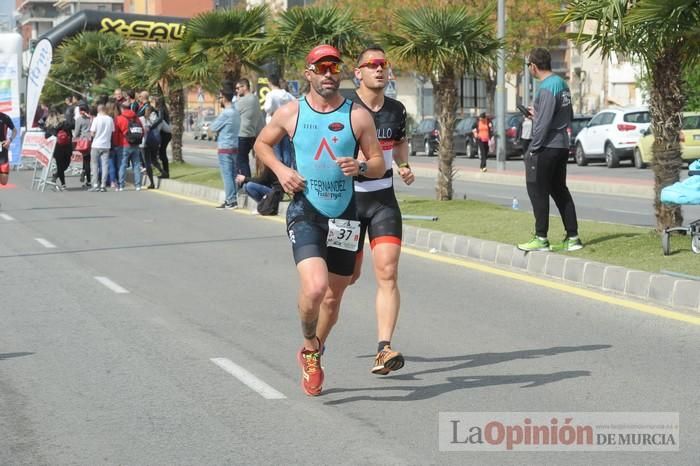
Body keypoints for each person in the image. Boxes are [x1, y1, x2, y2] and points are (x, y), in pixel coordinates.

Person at [254, 44, 385, 396]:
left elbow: (378, 164)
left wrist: (359, 166)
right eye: (321, 68)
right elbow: (261, 145)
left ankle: (313, 351)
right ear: (308, 73)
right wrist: (281, 171)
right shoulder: (291, 112)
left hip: (345, 214)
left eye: (334, 68)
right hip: (306, 210)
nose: (328, 74)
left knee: (333, 296)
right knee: (314, 288)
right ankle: (310, 344)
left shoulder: (358, 116)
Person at [313, 45, 415, 375]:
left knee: (387, 271)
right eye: (372, 65)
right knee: (338, 286)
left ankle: (383, 349)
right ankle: (315, 346)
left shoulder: (397, 110)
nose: (380, 70)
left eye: (384, 64)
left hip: (383, 201)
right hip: (348, 206)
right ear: (358, 72)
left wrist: (403, 165)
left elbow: (398, 143)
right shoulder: (342, 108)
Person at [517, 47, 582, 252]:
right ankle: (573, 238)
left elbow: (544, 124)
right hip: (562, 145)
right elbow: (565, 115)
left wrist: (533, 149)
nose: (529, 69)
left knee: (537, 191)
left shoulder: (545, 87)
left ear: (533, 66)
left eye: (528, 66)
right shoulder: (562, 84)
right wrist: (536, 116)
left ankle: (541, 238)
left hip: (546, 146)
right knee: (560, 191)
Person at [211, 86, 241, 209]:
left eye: (220, 97)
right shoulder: (235, 111)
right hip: (234, 145)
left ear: (223, 98)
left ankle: (230, 200)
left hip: (225, 147)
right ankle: (233, 198)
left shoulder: (226, 113)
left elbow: (212, 128)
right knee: (233, 174)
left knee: (227, 175)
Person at [263, 74, 295, 168]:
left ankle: (278, 175)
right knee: (286, 152)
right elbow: (295, 104)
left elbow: (267, 108)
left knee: (276, 153)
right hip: (285, 126)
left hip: (273, 126)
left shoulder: (271, 94)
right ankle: (288, 169)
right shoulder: (287, 95)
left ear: (270, 83)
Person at [235, 78, 264, 177]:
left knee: (241, 162)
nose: (237, 90)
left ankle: (245, 185)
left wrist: (238, 98)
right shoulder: (255, 99)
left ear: (245, 87)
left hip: (242, 135)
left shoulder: (244, 100)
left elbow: (233, 111)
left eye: (238, 88)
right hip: (252, 134)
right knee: (244, 161)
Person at [114, 100, 143, 191]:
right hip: (135, 144)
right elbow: (142, 131)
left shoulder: (119, 118)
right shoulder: (136, 118)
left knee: (122, 165)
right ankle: (138, 185)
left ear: (121, 108)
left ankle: (121, 185)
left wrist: (115, 144)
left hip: (123, 145)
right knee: (136, 164)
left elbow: (115, 133)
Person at [89, 104, 114, 192]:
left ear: (98, 110)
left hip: (96, 144)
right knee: (105, 165)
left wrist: (95, 135)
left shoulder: (96, 119)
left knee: (94, 165)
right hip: (106, 145)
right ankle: (103, 185)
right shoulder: (110, 119)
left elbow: (92, 133)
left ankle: (95, 184)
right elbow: (112, 131)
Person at [0, 110, 17, 186]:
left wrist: (9, 140)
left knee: (4, 181)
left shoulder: (5, 117)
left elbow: (14, 131)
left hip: (2, 149)